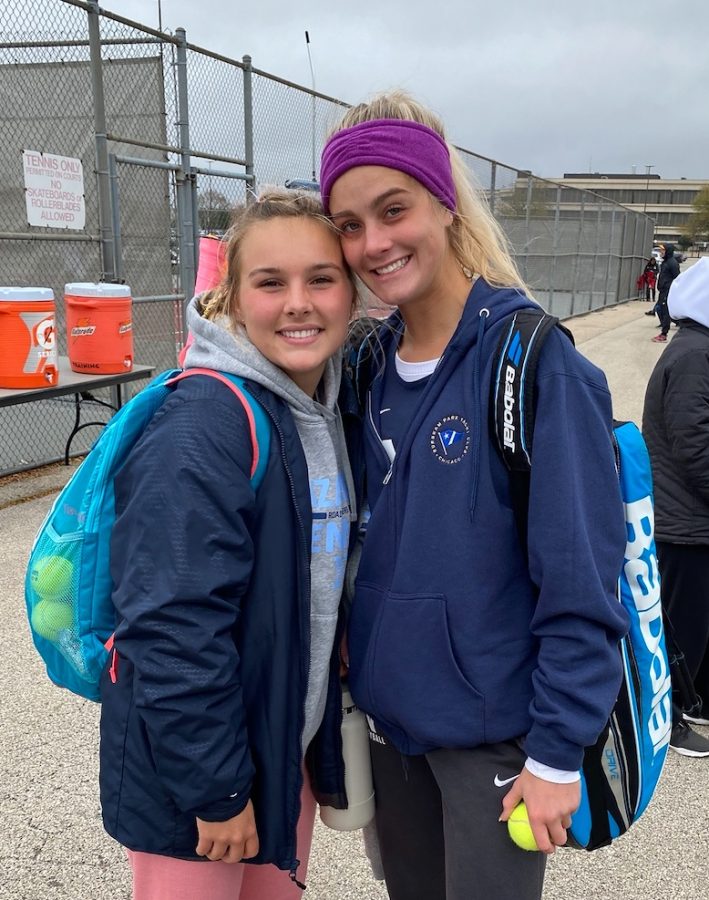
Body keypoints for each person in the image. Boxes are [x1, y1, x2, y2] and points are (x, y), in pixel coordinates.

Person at [319, 91, 630, 900]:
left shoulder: (531, 362)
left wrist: (558, 751)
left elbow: (583, 579)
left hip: (494, 743)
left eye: (393, 210)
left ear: (444, 202)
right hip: (393, 730)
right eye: (349, 225)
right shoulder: (366, 363)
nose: (373, 244)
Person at [98, 189, 362, 900]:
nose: (298, 303)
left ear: (350, 292)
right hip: (201, 778)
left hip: (279, 754)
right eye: (270, 283)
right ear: (233, 301)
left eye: (320, 278)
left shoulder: (320, 406)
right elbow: (169, 625)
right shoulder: (202, 425)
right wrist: (215, 788)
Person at [642, 257, 709, 758]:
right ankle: (672, 716)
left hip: (692, 519)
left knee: (698, 618)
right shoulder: (693, 355)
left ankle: (697, 697)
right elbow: (695, 446)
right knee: (679, 624)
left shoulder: (698, 348)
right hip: (682, 522)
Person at [651, 243, 681, 342]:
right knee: (661, 309)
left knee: (666, 311)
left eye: (662, 250)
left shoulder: (672, 263)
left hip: (668, 291)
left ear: (667, 251)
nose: (660, 252)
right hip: (663, 291)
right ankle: (665, 329)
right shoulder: (665, 262)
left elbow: (677, 277)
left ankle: (664, 334)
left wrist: (671, 288)